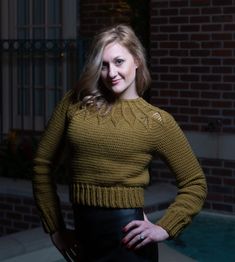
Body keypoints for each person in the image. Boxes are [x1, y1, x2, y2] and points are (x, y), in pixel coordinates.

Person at [32, 24, 207, 262]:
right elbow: (42, 164)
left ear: (136, 60)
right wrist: (55, 228)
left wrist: (165, 227)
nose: (111, 72)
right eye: (103, 65)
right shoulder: (74, 103)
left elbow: (195, 183)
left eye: (118, 62)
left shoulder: (156, 121)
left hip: (128, 240)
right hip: (85, 235)